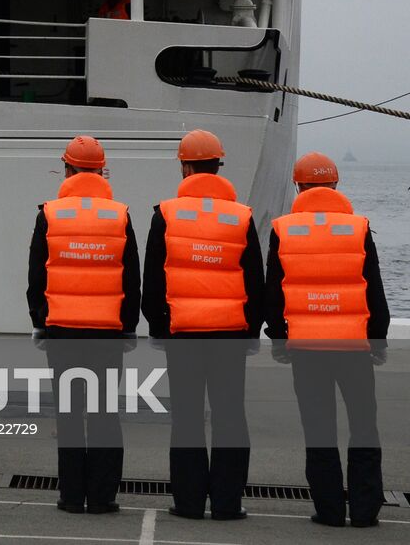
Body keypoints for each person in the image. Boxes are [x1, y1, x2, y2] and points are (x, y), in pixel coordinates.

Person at [142, 129, 263, 521]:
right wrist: (250, 332)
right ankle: (228, 503)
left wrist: (159, 327)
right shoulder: (241, 216)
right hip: (230, 337)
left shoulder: (166, 214)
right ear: (218, 166)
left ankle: (189, 502)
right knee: (231, 417)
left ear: (185, 167)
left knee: (187, 419)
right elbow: (255, 281)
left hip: (183, 336)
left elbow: (153, 278)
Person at [265, 152, 389, 528]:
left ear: (298, 186)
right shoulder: (358, 227)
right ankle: (365, 510)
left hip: (307, 349)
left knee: (319, 428)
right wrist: (377, 337)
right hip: (354, 347)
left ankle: (329, 510)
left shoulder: (283, 229)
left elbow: (274, 291)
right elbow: (373, 286)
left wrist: (279, 337)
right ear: (335, 184)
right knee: (364, 425)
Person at [26, 136, 141, 515]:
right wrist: (128, 326)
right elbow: (131, 277)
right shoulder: (119, 215)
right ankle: (103, 497)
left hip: (62, 330)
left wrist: (39, 322)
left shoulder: (50, 214)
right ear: (102, 171)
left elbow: (37, 275)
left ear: (67, 169)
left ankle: (72, 496)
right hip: (107, 332)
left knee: (70, 415)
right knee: (105, 414)